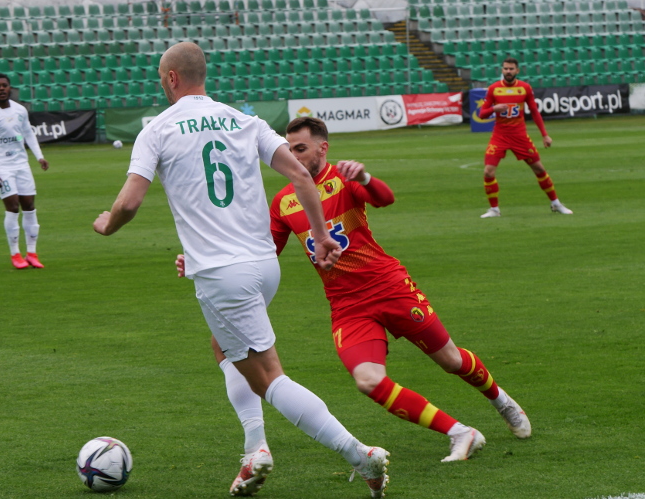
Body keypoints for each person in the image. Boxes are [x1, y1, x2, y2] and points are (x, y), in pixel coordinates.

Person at [93, 42, 391, 498]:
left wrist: (106, 224)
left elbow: (129, 202)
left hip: (222, 274)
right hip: (263, 265)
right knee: (224, 347)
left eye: (161, 77)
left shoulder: (158, 129)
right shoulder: (244, 120)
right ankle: (255, 449)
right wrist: (323, 234)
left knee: (269, 376)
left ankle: (357, 453)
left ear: (172, 78)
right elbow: (302, 176)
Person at [181, 117, 532, 467]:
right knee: (367, 381)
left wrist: (364, 177)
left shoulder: (344, 179)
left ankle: (501, 401)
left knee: (452, 360)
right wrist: (203, 259)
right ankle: (459, 432)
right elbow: (264, 250)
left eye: (301, 149)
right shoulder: (284, 202)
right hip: (347, 305)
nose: (293, 156)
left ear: (323, 148)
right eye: (289, 150)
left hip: (389, 286)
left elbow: (385, 198)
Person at [478, 57, 572, 218]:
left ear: (517, 70)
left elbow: (534, 112)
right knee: (488, 171)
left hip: (520, 136)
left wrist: (544, 135)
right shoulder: (494, 88)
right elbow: (481, 113)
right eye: (506, 68)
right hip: (500, 136)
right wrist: (494, 108)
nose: (508, 71)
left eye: (511, 69)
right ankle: (494, 209)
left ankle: (556, 203)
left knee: (539, 169)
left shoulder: (525, 88)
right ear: (502, 70)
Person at [0, 74, 49, 269]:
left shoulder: (20, 110)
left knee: (29, 205)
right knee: (13, 206)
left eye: (4, 86)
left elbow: (28, 134)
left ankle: (32, 253)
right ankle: (15, 254)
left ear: (9, 88)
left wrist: (39, 156)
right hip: (1, 167)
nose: (1, 89)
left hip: (22, 165)